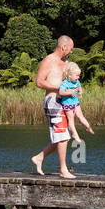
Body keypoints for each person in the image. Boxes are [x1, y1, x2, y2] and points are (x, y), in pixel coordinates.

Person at [30, 35, 76, 178]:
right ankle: (63, 170)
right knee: (63, 135)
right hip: (53, 102)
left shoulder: (66, 62)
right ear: (63, 47)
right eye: (70, 49)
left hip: (64, 103)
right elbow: (39, 82)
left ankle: (39, 157)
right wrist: (58, 88)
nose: (71, 52)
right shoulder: (49, 60)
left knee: (64, 136)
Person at [58, 61, 94, 141]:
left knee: (80, 116)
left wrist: (80, 92)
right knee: (71, 120)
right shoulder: (65, 83)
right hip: (67, 104)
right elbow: (60, 92)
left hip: (76, 103)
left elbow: (79, 87)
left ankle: (88, 127)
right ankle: (75, 134)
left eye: (79, 75)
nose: (78, 77)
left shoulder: (76, 81)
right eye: (76, 75)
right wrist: (69, 92)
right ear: (69, 75)